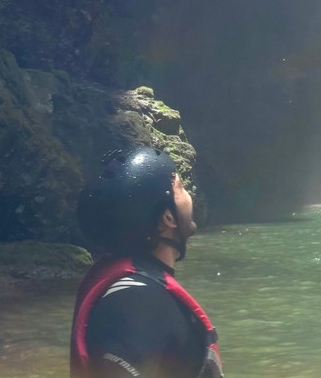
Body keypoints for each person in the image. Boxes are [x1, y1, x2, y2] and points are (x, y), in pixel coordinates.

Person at [70, 147, 223, 378]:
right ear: (167, 218)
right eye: (180, 188)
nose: (189, 194)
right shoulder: (139, 298)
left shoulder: (130, 286)